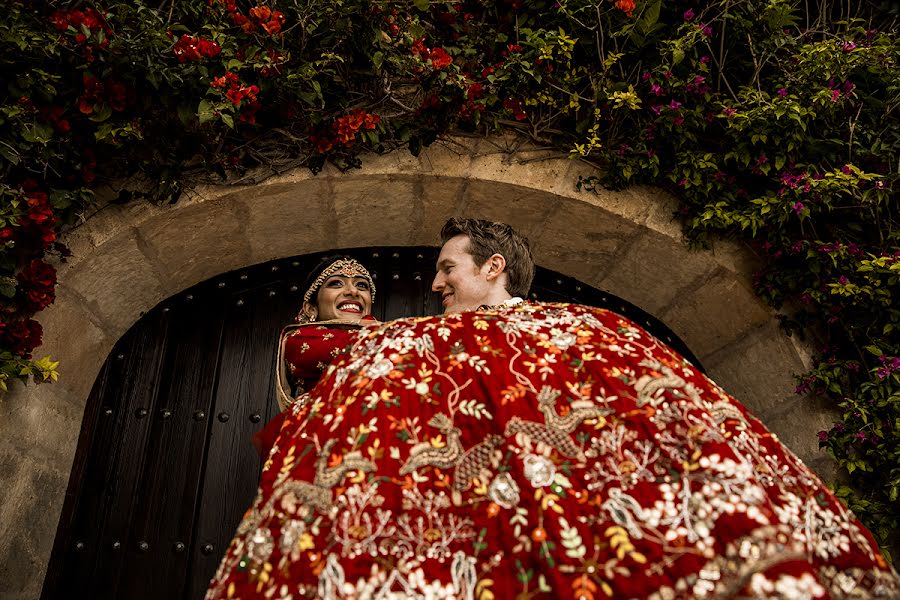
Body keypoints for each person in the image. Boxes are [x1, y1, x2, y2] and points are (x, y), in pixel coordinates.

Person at [208, 220, 899, 599]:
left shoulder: (592, 329)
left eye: (448, 268)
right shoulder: (419, 340)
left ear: (493, 268)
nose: (434, 281)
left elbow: (688, 432)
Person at [251, 255, 378, 458]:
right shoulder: (301, 339)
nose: (353, 291)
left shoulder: (387, 336)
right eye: (336, 283)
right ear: (311, 308)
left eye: (362, 285)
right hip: (321, 443)